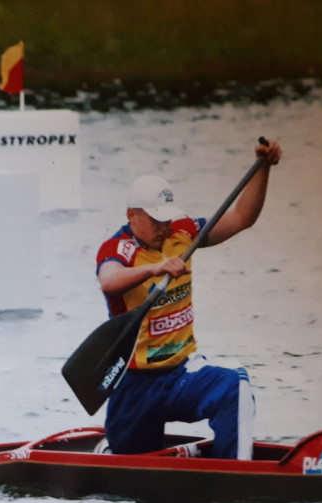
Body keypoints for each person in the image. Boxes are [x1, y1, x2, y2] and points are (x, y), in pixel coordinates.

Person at [94, 139, 283, 459]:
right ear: (132, 215)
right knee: (133, 479)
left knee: (234, 383)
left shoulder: (182, 232)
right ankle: (112, 449)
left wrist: (263, 168)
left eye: (166, 218)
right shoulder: (118, 250)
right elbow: (108, 281)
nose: (164, 227)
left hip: (181, 373)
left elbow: (241, 218)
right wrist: (156, 267)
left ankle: (235, 478)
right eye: (155, 220)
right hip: (135, 383)